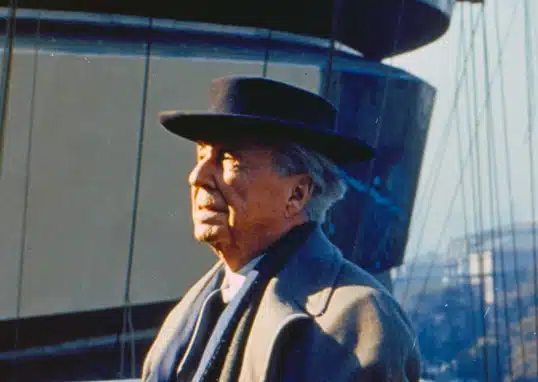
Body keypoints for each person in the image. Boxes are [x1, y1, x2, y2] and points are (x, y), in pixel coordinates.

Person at [141, 76, 420, 382]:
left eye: (229, 160)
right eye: (202, 155)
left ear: (297, 194)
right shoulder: (194, 308)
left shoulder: (358, 321)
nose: (197, 177)